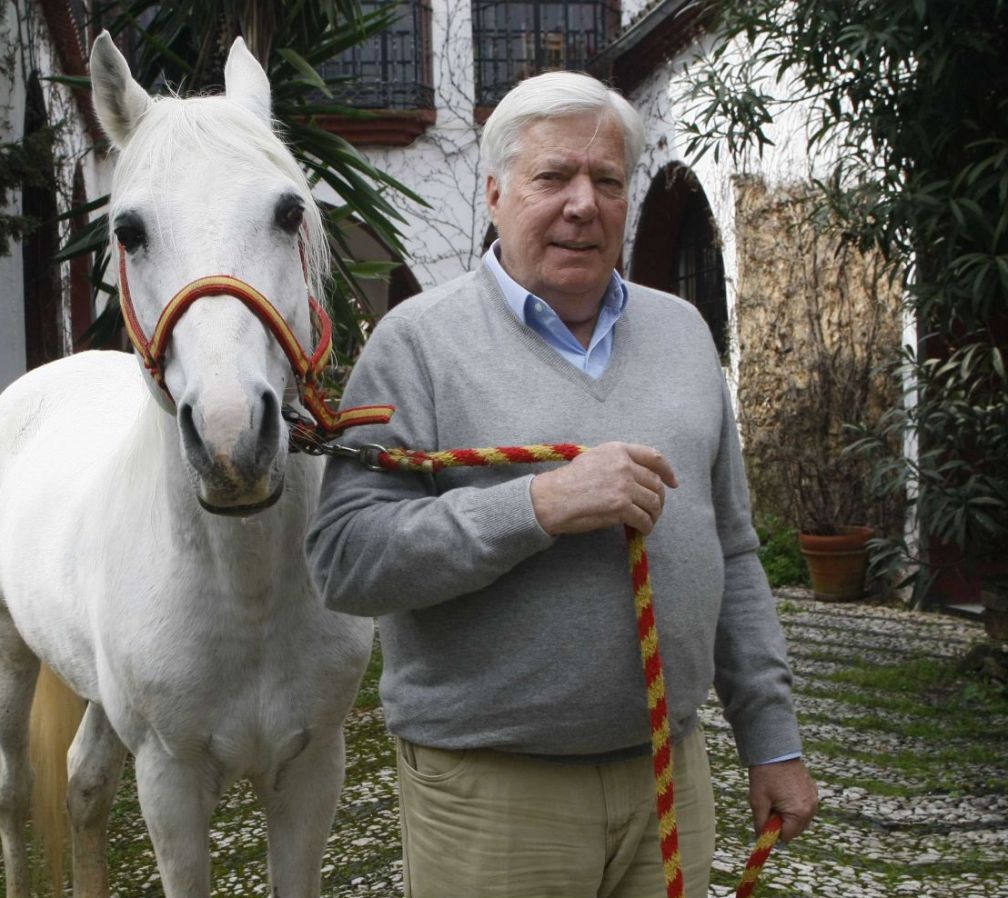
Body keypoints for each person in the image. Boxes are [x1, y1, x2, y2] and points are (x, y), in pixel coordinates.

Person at [306, 71, 818, 898]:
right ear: (497, 192)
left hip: (668, 771)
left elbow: (732, 549)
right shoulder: (416, 346)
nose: (584, 203)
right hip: (494, 795)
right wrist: (537, 506)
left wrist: (773, 738)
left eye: (608, 181)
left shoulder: (683, 333)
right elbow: (345, 560)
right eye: (554, 178)